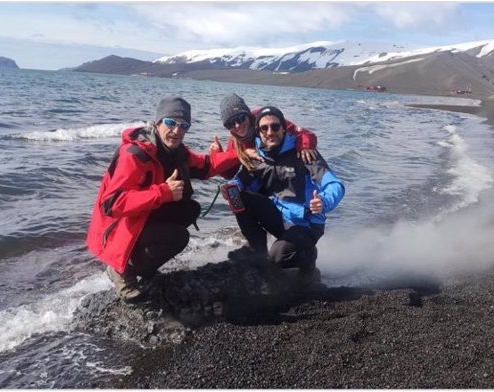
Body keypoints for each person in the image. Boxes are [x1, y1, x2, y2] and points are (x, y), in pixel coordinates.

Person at [86, 97, 248, 302]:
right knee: (178, 237)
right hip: (116, 227)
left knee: (189, 210)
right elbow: (112, 204)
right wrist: (162, 192)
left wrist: (241, 153)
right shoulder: (135, 154)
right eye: (170, 123)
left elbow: (206, 166)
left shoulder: (176, 152)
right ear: (157, 123)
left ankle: (144, 269)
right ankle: (121, 269)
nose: (177, 130)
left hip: (140, 217)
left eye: (184, 125)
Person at [225, 106, 345, 283]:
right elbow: (242, 180)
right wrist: (231, 186)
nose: (270, 132)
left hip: (306, 223)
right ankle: (257, 253)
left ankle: (309, 258)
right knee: (239, 196)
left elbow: (335, 184)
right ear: (258, 132)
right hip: (280, 218)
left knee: (278, 257)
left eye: (275, 126)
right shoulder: (258, 156)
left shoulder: (303, 154)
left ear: (283, 128)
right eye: (264, 128)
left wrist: (324, 201)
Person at [209, 93, 318, 177]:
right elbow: (229, 174)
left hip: (287, 169)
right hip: (264, 177)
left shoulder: (265, 119)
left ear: (248, 115)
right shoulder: (235, 142)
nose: (237, 126)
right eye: (230, 124)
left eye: (240, 118)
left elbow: (303, 133)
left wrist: (304, 146)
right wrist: (218, 155)